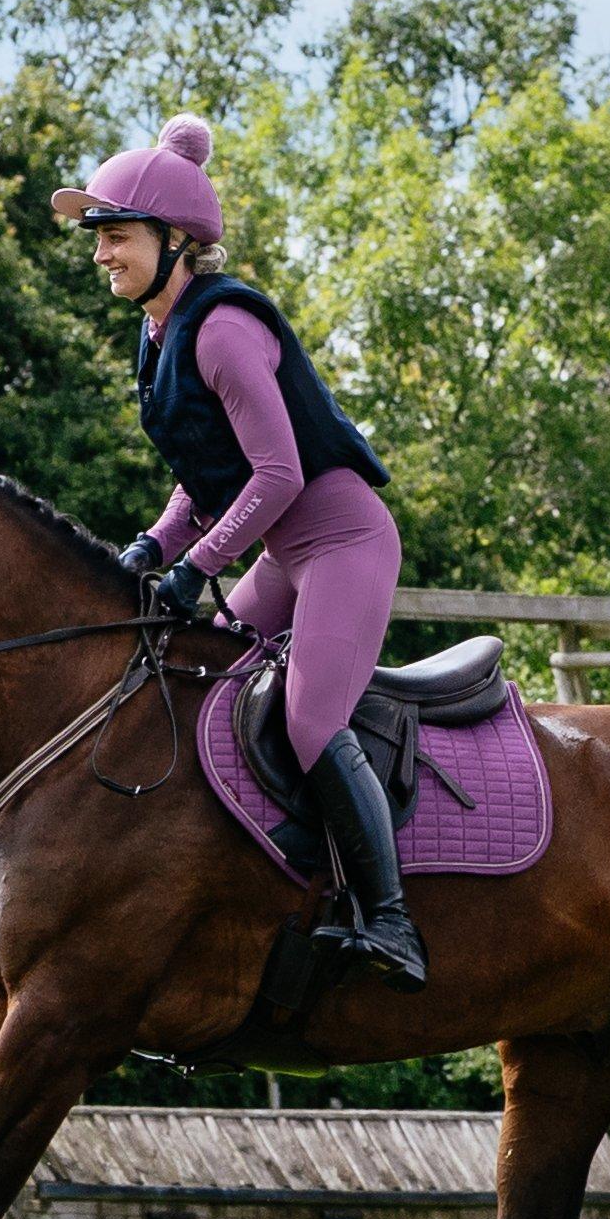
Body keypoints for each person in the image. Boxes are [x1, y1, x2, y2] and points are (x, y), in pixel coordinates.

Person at [52, 115, 427, 991]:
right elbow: (209, 475)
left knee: (306, 720)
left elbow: (279, 473)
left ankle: (393, 922)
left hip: (340, 540)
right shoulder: (158, 334)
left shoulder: (220, 331)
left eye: (117, 236)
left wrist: (199, 567)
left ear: (176, 240)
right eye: (97, 239)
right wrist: (151, 547)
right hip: (287, 551)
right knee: (198, 682)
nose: (102, 253)